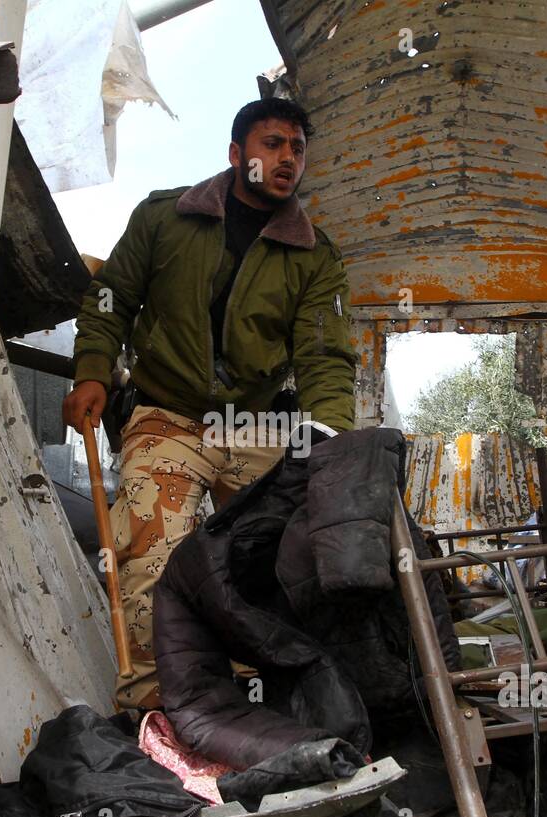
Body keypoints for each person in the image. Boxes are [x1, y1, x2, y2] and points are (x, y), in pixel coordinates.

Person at [62, 97, 357, 709]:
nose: (288, 159)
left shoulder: (315, 256)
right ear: (236, 154)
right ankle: (148, 706)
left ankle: (258, 697)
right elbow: (111, 297)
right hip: (167, 414)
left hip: (255, 423)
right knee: (150, 548)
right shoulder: (165, 217)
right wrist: (92, 370)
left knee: (284, 557)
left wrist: (327, 438)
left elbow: (324, 357)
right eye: (273, 144)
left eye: (297, 149)